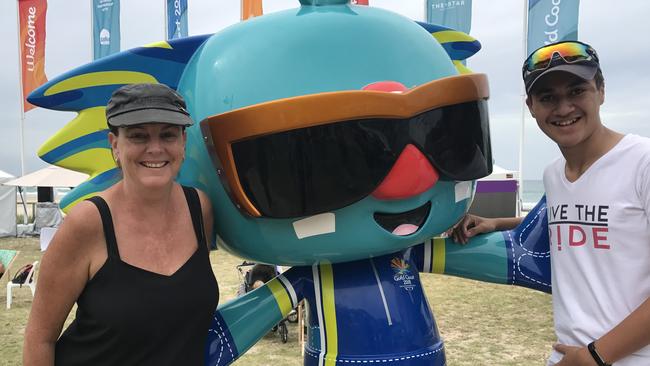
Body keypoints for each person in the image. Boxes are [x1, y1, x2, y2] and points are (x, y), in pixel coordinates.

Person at [450, 41, 650, 365]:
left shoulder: (642, 162)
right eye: (548, 98)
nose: (563, 108)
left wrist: (596, 356)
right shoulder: (554, 175)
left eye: (576, 91)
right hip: (568, 354)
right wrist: (496, 223)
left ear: (601, 90)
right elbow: (570, 218)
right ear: (530, 106)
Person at [23, 83, 218, 365]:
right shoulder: (87, 223)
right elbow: (39, 337)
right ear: (115, 145)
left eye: (168, 134)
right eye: (138, 136)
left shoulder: (200, 209)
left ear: (183, 142)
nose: (155, 148)